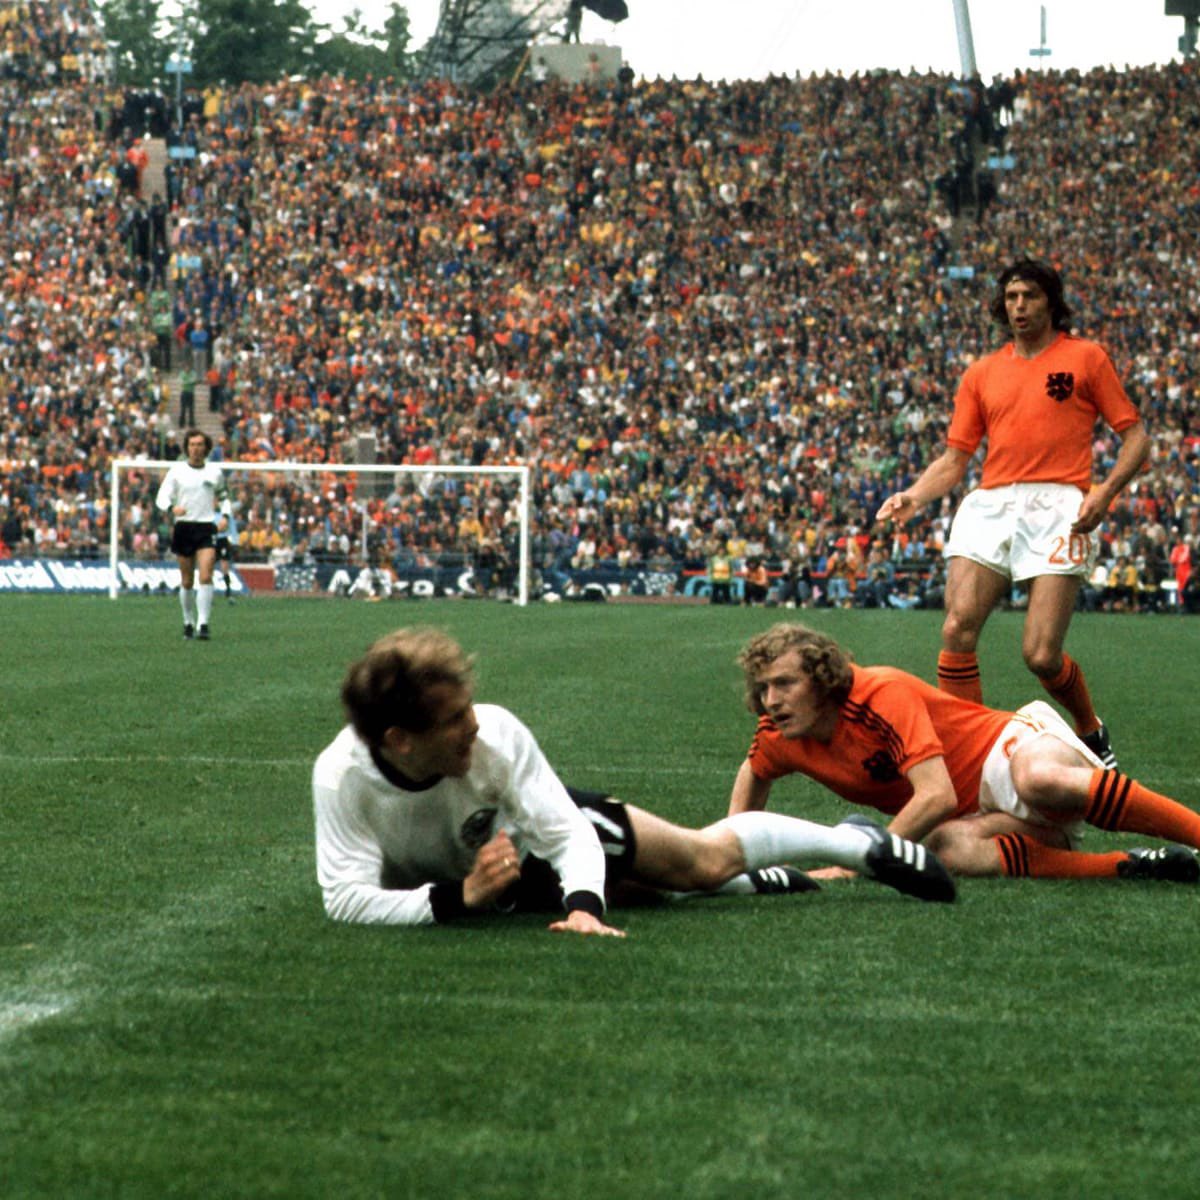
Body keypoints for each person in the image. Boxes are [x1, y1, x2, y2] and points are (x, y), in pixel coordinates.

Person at [312, 628, 956, 935]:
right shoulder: (342, 777)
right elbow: (344, 899)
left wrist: (583, 909)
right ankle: (760, 882)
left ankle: (854, 845)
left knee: (699, 864)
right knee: (653, 895)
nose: (474, 726)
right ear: (399, 740)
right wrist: (462, 897)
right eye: (453, 721)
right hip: (493, 880)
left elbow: (565, 834)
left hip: (534, 844)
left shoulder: (497, 734)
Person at [876, 259, 1150, 770]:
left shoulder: (1086, 358)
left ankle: (1089, 729)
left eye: (1028, 296)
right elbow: (956, 458)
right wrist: (914, 496)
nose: (1018, 306)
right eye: (1011, 297)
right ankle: (973, 754)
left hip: (1059, 506)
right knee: (957, 629)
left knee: (1041, 655)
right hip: (993, 503)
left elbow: (1136, 437)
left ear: (1051, 301)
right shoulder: (982, 372)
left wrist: (1105, 492)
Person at [728, 623, 1200, 884]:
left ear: (822, 678)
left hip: (1010, 750)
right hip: (984, 815)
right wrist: (733, 857)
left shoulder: (879, 694)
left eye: (785, 684)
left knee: (1038, 779)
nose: (771, 700)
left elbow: (936, 796)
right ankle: (1135, 865)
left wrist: (854, 860)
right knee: (944, 848)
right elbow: (753, 772)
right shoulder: (779, 732)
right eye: (763, 687)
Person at [154, 429, 229, 640]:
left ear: (206, 448)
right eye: (192, 444)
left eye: (200, 445)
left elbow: (224, 497)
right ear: (187, 447)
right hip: (184, 527)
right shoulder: (177, 471)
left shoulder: (214, 473)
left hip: (206, 527)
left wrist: (225, 516)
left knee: (205, 575)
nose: (196, 448)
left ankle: (203, 624)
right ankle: (188, 621)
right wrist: (172, 509)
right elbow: (162, 497)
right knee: (187, 581)